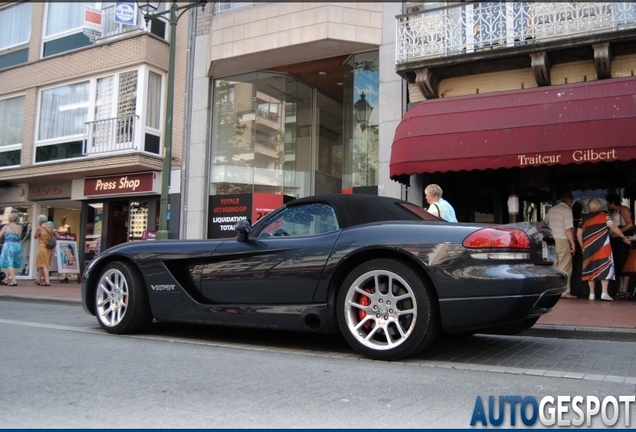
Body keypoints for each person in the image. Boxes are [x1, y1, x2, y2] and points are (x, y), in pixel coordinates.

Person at [577, 198, 631, 301]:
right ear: (599, 207)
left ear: (589, 207)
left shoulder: (582, 219)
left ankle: (591, 294)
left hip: (588, 246)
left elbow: (578, 234)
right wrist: (623, 237)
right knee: (605, 267)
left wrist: (582, 246)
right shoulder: (604, 216)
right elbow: (614, 227)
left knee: (590, 269)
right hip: (603, 246)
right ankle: (604, 292)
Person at [543, 192, 577, 298]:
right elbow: (568, 229)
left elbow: (545, 223)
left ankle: (554, 290)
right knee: (565, 267)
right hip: (562, 240)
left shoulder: (552, 210)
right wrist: (573, 244)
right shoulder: (567, 210)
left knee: (554, 266)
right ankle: (565, 292)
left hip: (552, 240)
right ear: (571, 202)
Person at [606, 193, 634, 299]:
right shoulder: (614, 211)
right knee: (619, 264)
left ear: (613, 202)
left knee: (624, 264)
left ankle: (624, 289)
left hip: (621, 240)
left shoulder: (623, 209)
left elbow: (630, 224)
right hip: (615, 240)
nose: (608, 205)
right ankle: (620, 289)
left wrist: (618, 233)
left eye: (609, 203)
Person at [33, 214, 57, 286]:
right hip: (49, 247)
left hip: (42, 246)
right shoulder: (50, 227)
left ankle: (47, 280)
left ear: (39, 221)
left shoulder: (40, 228)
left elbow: (35, 237)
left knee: (44, 264)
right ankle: (38, 280)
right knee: (42, 263)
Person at [0, 213, 23, 286]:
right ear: (16, 219)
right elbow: (19, 237)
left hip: (8, 245)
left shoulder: (6, 227)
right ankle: (6, 280)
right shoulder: (19, 227)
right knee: (11, 263)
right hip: (17, 245)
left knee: (9, 263)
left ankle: (14, 280)